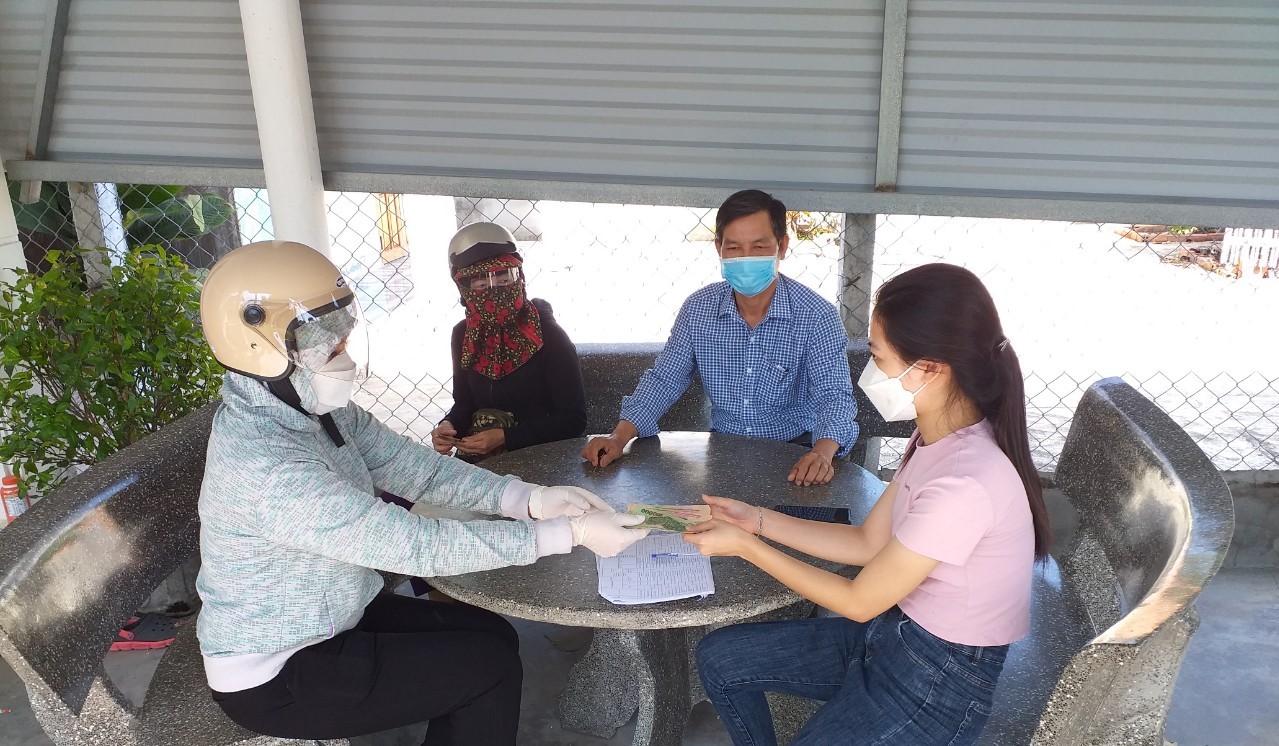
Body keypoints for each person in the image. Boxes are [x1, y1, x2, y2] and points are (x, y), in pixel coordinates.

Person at [194, 240, 649, 745]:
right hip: (278, 666)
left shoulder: (307, 407)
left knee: (491, 634)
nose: (345, 358)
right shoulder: (267, 464)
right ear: (261, 348)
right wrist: (568, 534)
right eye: (330, 347)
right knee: (488, 669)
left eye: (344, 340)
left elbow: (413, 468)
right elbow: (413, 546)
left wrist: (526, 499)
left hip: (333, 614)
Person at [684, 263, 1053, 745]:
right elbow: (867, 542)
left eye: (877, 355)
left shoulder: (965, 482)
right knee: (720, 658)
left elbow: (858, 602)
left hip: (939, 680)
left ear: (929, 368)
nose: (868, 372)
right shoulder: (934, 438)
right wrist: (755, 520)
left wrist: (746, 547)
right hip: (893, 634)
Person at [581, 189, 856, 486]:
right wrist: (618, 437)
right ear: (719, 249)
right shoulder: (698, 309)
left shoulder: (816, 315)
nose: (746, 258)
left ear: (782, 246)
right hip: (723, 450)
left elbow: (834, 395)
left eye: (759, 246)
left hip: (796, 452)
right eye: (734, 247)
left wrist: (821, 454)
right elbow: (665, 379)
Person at [430, 222, 587, 462]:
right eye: (482, 286)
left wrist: (506, 437)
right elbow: (465, 404)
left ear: (520, 278)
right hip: (483, 459)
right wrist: (449, 426)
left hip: (542, 458)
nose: (494, 292)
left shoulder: (547, 334)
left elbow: (573, 420)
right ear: (465, 291)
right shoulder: (463, 335)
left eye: (504, 281)